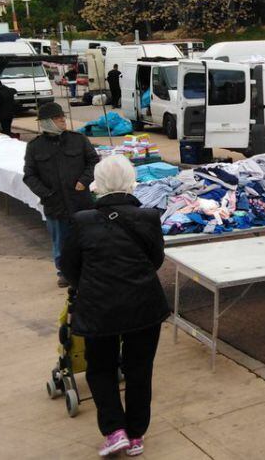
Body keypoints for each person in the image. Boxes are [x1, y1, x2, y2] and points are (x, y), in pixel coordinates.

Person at [60, 154, 168, 458]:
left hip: (99, 308)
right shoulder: (147, 217)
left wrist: (91, 284)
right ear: (130, 181)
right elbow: (155, 260)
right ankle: (135, 434)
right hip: (144, 305)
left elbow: (69, 266)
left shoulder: (82, 221)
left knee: (101, 369)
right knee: (139, 369)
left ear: (99, 184)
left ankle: (114, 430)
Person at [23, 102, 99, 288]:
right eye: (58, 118)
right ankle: (64, 272)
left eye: (62, 117)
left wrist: (84, 180)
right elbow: (29, 175)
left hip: (80, 201)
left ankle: (88, 270)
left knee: (87, 237)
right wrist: (46, 193)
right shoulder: (35, 147)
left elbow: (93, 161)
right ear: (46, 122)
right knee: (61, 241)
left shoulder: (78, 140)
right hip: (55, 203)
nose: (63, 120)